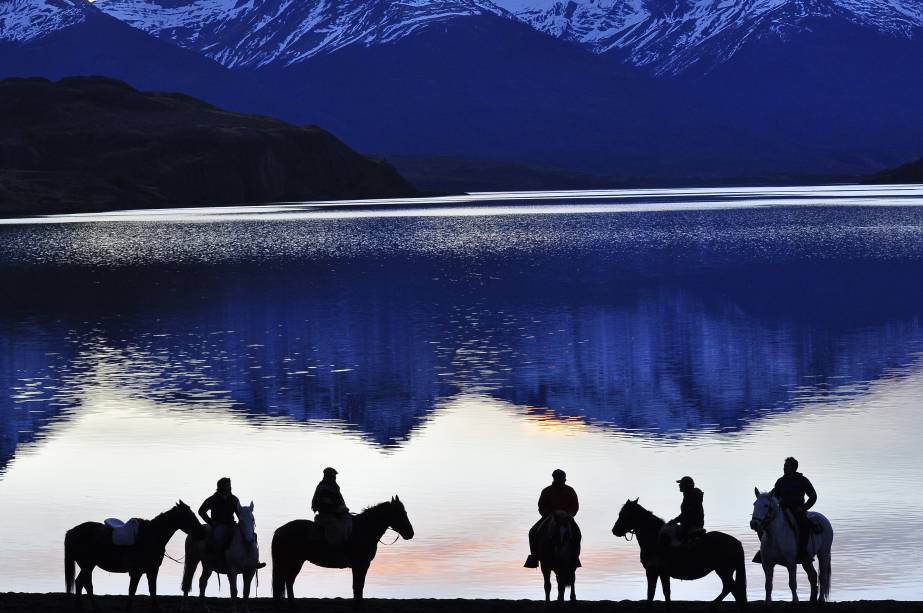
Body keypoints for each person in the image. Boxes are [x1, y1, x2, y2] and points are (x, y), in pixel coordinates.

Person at [754, 457, 817, 563]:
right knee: (762, 525)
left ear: (794, 468)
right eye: (784, 466)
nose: (784, 468)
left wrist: (803, 508)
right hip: (782, 510)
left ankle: (803, 552)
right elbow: (774, 495)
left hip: (797, 510)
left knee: (804, 526)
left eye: (787, 466)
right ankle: (764, 551)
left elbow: (813, 497)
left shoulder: (803, 481)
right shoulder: (780, 481)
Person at [524, 469, 581, 568]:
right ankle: (534, 557)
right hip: (549, 517)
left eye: (563, 478)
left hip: (566, 518)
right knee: (532, 532)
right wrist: (549, 515)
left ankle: (575, 557)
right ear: (555, 478)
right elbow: (541, 506)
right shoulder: (546, 491)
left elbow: (575, 506)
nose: (563, 480)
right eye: (561, 478)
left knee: (577, 533)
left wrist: (569, 516)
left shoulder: (570, 490)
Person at [199, 477, 241, 554]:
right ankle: (217, 558)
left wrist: (242, 523)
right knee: (218, 539)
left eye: (230, 485)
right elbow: (201, 511)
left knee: (247, 535)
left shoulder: (234, 499)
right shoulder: (212, 499)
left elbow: (239, 514)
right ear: (221, 487)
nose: (230, 487)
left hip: (231, 524)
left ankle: (252, 561)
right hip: (218, 525)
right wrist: (211, 522)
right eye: (227, 485)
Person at [311, 467, 351, 545]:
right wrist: (338, 510)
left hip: (335, 512)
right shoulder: (323, 488)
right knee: (336, 527)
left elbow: (339, 501)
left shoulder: (334, 486)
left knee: (349, 520)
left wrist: (343, 509)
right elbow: (323, 505)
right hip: (326, 514)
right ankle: (335, 545)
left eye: (334, 476)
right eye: (333, 476)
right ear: (327, 476)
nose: (334, 478)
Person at [667, 476, 704, 543]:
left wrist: (675, 521)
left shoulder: (691, 496)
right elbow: (685, 513)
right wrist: (675, 520)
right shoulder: (689, 495)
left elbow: (687, 514)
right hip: (694, 524)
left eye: (681, 484)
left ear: (686, 486)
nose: (679, 485)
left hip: (690, 525)